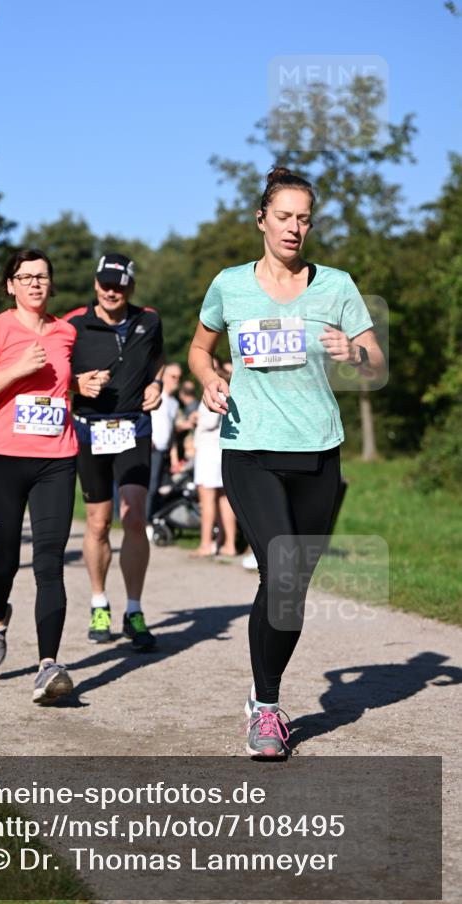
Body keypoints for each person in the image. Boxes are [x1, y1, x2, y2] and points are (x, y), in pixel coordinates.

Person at [188, 166, 385, 759]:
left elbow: (375, 366)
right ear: (262, 220)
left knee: (290, 586)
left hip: (318, 450)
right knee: (278, 568)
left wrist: (351, 350)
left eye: (304, 218)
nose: (294, 228)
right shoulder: (230, 285)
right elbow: (200, 349)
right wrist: (208, 381)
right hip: (250, 447)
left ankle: (259, 690)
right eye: (284, 216)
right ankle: (268, 709)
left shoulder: (336, 285)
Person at [0, 247, 107, 704]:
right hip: (3, 458)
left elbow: (59, 386)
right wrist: (17, 370)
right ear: (11, 285)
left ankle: (48, 666)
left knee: (49, 561)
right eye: (26, 277)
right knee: (4, 561)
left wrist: (79, 387)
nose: (35, 284)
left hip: (56, 459)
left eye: (42, 276)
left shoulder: (65, 332)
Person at [65, 253, 164, 650]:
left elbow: (157, 361)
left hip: (133, 428)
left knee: (134, 516)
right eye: (105, 283)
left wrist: (157, 384)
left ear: (130, 288)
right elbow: (54, 375)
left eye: (119, 285)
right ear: (95, 284)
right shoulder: (73, 324)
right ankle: (99, 602)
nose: (111, 291)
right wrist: (76, 385)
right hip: (90, 431)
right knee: (98, 524)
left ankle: (135, 610)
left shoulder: (150, 320)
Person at [190, 360, 238, 558]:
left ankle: (206, 544)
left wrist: (195, 420)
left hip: (208, 451)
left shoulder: (213, 391)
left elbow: (209, 420)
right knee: (224, 499)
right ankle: (229, 544)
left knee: (207, 500)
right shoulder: (230, 393)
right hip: (221, 449)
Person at [146, 362, 181, 522]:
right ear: (164, 377)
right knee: (151, 487)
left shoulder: (173, 403)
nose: (176, 380)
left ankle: (154, 518)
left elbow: (172, 431)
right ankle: (145, 521)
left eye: (179, 377)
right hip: (152, 447)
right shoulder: (155, 396)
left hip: (164, 450)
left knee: (161, 488)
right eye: (173, 376)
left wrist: (174, 456)